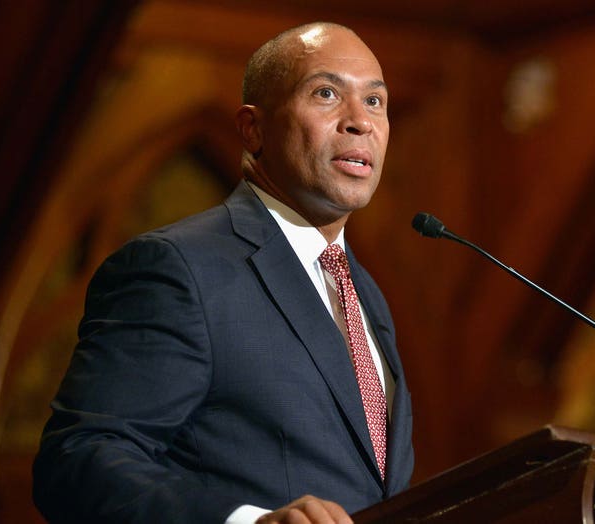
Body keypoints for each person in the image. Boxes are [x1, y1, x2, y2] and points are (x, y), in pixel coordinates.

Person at [32, 22, 413, 524]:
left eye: (375, 101)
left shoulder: (364, 293)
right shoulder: (177, 268)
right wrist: (248, 521)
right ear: (253, 129)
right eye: (326, 93)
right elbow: (77, 460)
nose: (360, 122)